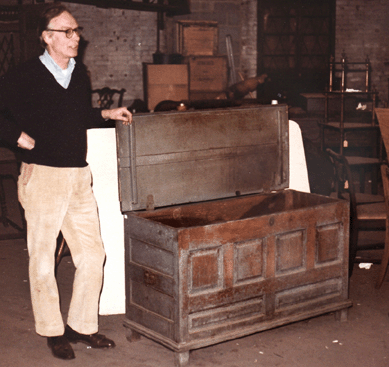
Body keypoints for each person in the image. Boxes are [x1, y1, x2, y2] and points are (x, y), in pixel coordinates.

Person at [0, 4, 132, 360]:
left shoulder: (79, 73)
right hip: (42, 176)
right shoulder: (23, 75)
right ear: (47, 38)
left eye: (77, 31)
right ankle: (52, 330)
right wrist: (16, 137)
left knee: (92, 255)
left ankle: (81, 326)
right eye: (68, 32)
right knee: (43, 260)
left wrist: (106, 113)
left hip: (78, 175)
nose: (77, 38)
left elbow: (75, 116)